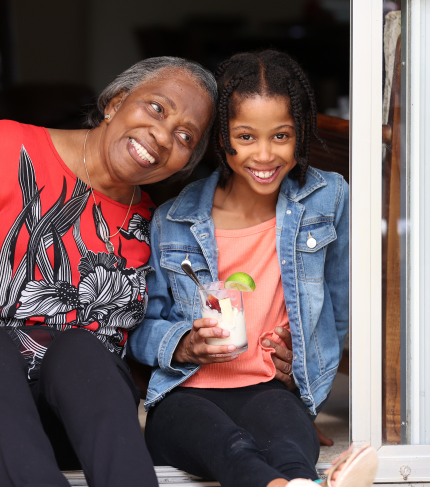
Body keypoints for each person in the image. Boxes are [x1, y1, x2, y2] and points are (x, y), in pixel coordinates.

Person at [0, 56, 225, 487]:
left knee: (82, 348)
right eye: (156, 108)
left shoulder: (157, 227)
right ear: (114, 101)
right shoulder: (1, 147)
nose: (163, 136)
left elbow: (163, 333)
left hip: (71, 424)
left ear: (185, 162)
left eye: (185, 136)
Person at [128, 50, 376, 487]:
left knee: (290, 445)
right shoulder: (173, 218)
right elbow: (140, 327)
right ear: (222, 137)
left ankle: (295, 484)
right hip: (184, 395)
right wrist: (185, 344)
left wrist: (306, 367)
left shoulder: (328, 198)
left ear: (300, 134)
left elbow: (338, 308)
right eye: (246, 137)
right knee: (229, 447)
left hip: (268, 389)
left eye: (280, 136)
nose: (264, 155)